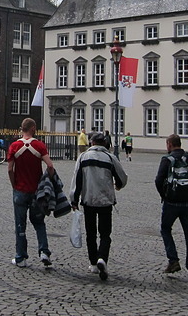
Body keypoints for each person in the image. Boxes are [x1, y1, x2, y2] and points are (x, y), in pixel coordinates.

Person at [69, 132, 128, 281]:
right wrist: (119, 185)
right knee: (105, 234)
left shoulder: (83, 157)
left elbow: (77, 180)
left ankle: (93, 263)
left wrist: (74, 200)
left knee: (91, 233)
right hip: (105, 201)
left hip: (89, 200)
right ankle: (103, 258)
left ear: (91, 143)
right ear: (104, 143)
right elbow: (122, 177)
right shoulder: (110, 158)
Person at [154, 134, 188, 283]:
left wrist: (164, 195)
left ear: (169, 144)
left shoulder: (167, 160)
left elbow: (158, 180)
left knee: (165, 229)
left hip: (171, 203)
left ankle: (173, 260)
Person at [7, 118, 55, 268]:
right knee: (39, 222)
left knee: (20, 225)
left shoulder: (14, 146)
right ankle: (44, 252)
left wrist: (14, 184)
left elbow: (10, 169)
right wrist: (48, 180)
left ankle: (21, 257)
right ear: (33, 128)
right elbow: (50, 165)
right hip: (36, 191)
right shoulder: (39, 145)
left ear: (22, 128)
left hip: (20, 190)